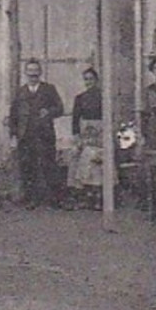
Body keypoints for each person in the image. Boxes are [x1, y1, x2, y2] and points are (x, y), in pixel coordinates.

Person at [8, 58, 65, 208]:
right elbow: (13, 116)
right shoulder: (20, 92)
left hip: (44, 135)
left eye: (35, 71)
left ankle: (54, 199)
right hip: (25, 136)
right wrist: (13, 136)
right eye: (30, 71)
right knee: (28, 167)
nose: (33, 75)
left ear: (40, 72)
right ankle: (31, 198)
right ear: (26, 73)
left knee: (49, 165)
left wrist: (49, 111)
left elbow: (60, 108)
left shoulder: (49, 89)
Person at [66, 67, 106, 205]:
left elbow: (107, 119)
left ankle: (97, 196)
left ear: (97, 80)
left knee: (94, 157)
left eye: (91, 79)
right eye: (86, 79)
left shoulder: (104, 97)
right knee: (77, 156)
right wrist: (76, 136)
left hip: (100, 134)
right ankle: (81, 194)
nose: (89, 82)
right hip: (85, 133)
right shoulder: (80, 98)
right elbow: (75, 120)